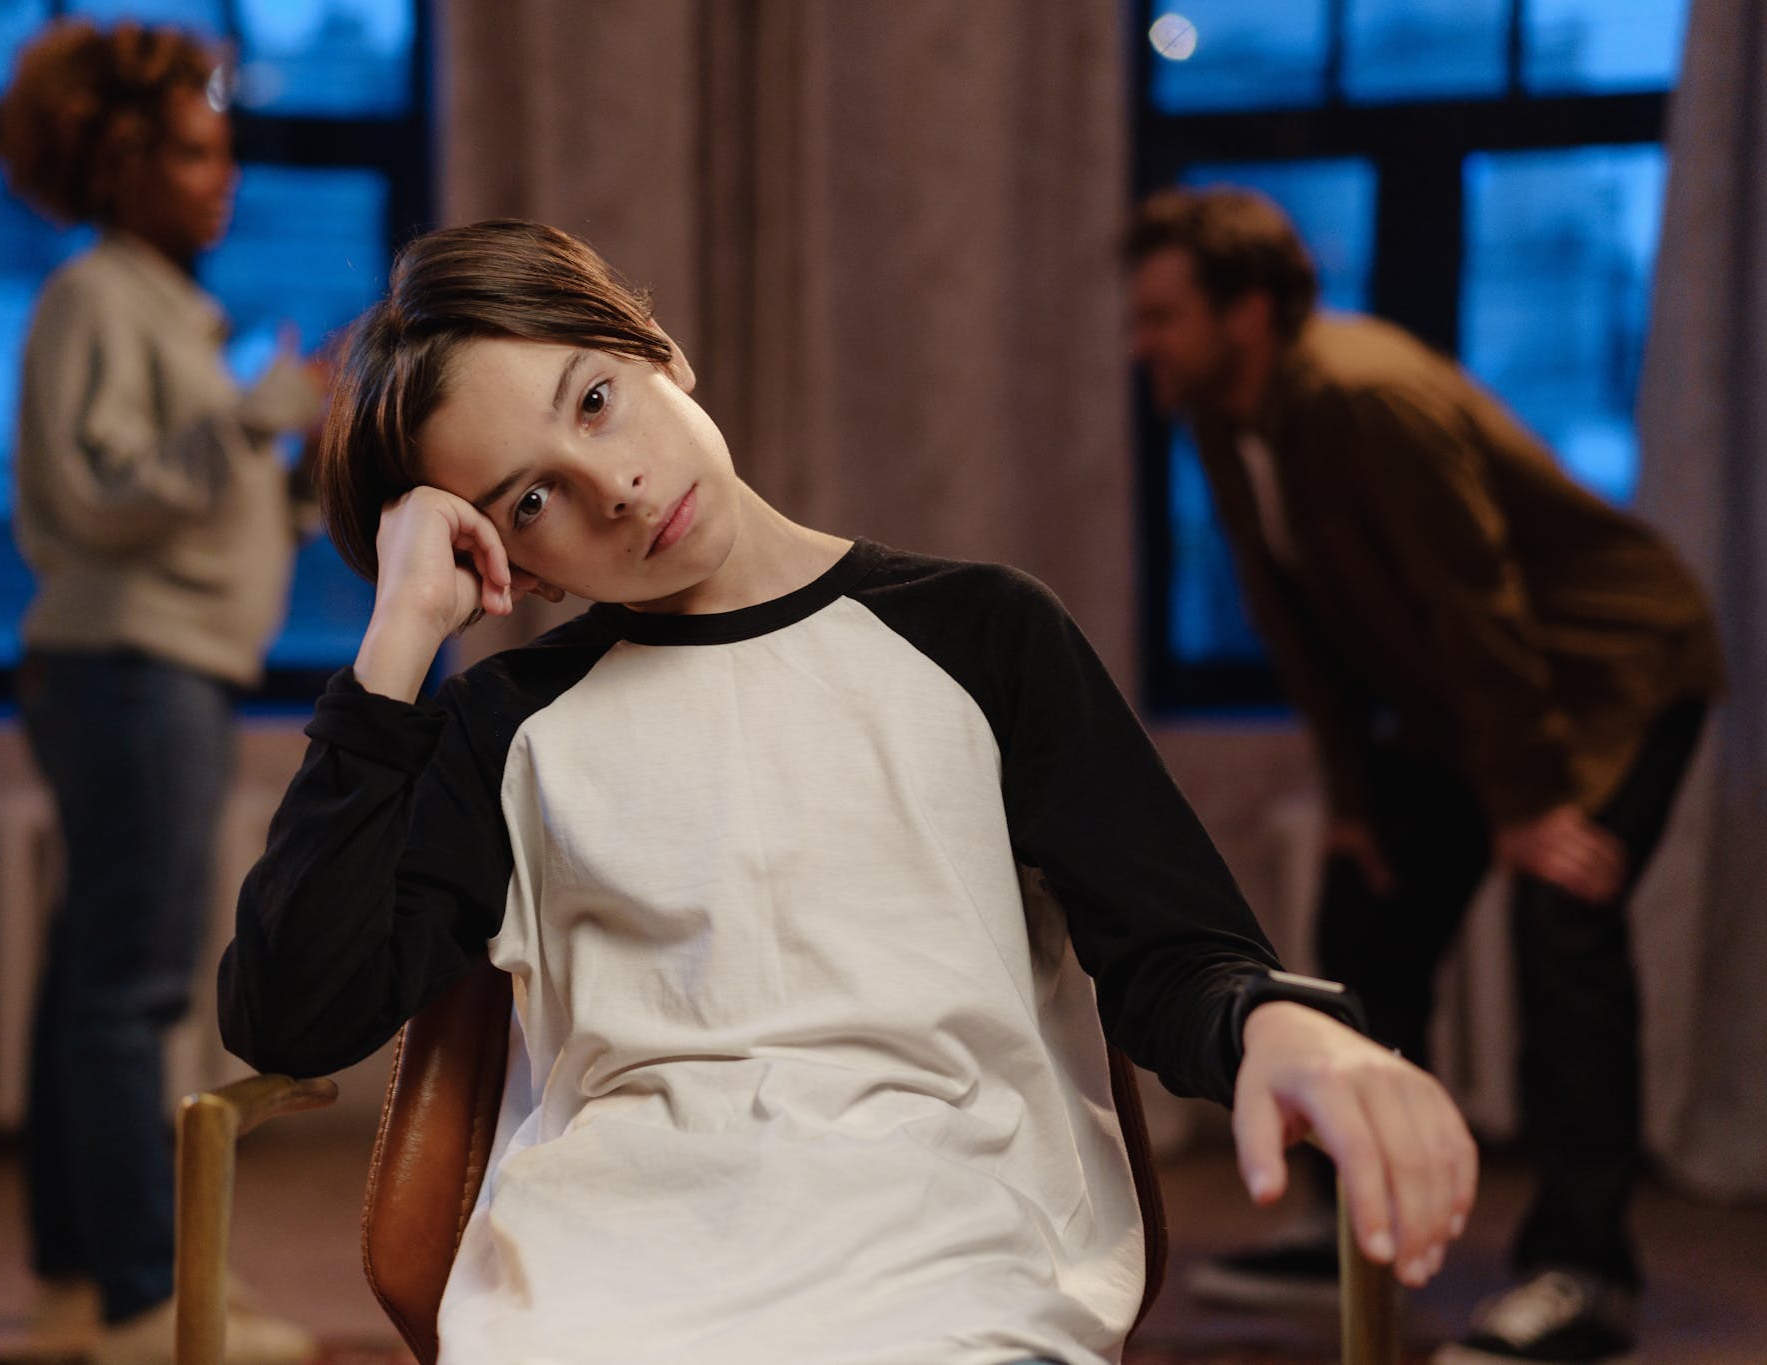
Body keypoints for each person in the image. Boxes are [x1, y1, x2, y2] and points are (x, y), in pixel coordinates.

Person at [218, 218, 1476, 1365]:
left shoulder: (985, 633)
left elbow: (1172, 952)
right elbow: (296, 1015)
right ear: (514, 564)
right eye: (530, 501)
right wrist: (394, 647)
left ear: (657, 349)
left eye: (595, 401)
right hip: (612, 1265)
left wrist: (1279, 1023)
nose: (615, 489)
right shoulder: (505, 726)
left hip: (945, 1242)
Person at [1123, 188, 1722, 1365]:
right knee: (1367, 912)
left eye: (1161, 317)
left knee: (1563, 929)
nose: (1141, 343)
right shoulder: (1222, 414)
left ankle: (1580, 1273)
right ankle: (1352, 1227)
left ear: (1245, 312)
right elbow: (1299, 623)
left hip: (1609, 672)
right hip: (1470, 701)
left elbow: (1473, 601)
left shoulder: (1359, 391)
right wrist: (1354, 802)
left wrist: (1528, 805)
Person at [0, 19, 325, 1365]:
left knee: (94, 981)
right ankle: (143, 1298)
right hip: (130, 666)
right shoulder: (96, 299)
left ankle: (84, 1285)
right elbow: (96, 495)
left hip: (154, 664)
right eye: (195, 153)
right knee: (131, 993)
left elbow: (205, 508)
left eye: (226, 153)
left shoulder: (164, 312)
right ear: (122, 164)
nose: (222, 178)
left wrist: (299, 459)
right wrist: (252, 422)